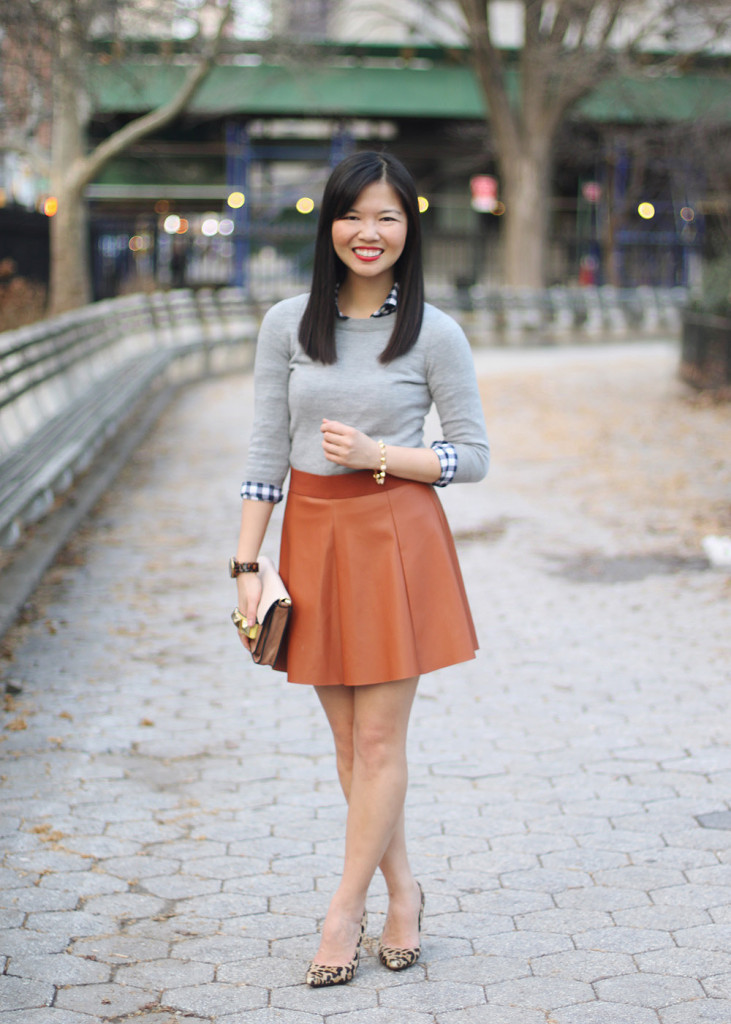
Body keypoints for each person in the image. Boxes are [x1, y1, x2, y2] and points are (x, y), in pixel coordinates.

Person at [231, 150, 489, 987]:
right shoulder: (287, 324)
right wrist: (245, 560)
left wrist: (388, 456)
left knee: (379, 739)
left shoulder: (434, 332)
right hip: (310, 535)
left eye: (386, 217)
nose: (367, 233)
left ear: (409, 227)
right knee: (347, 745)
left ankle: (342, 913)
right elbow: (267, 449)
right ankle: (404, 892)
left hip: (392, 536)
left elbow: (473, 458)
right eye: (352, 215)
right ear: (328, 224)